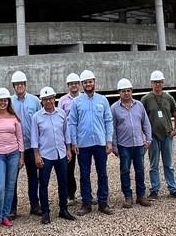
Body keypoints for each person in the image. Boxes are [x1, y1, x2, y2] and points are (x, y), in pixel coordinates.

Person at [67, 69, 114, 215]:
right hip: (83, 144)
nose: (88, 84)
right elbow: (72, 123)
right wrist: (74, 142)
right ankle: (86, 203)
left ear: (94, 82)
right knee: (84, 173)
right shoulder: (76, 102)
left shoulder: (103, 100)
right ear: (82, 84)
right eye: (85, 82)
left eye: (90, 81)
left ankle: (103, 202)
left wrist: (109, 141)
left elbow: (108, 121)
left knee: (102, 173)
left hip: (100, 142)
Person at [32, 86, 77, 224]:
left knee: (63, 182)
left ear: (54, 98)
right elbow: (35, 138)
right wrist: (37, 156)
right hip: (45, 154)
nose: (49, 102)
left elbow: (66, 133)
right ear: (42, 101)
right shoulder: (37, 117)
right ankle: (45, 212)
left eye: (50, 98)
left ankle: (63, 209)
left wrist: (68, 149)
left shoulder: (62, 113)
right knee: (44, 184)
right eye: (45, 99)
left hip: (61, 153)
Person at [141, 70, 176, 200]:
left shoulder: (169, 98)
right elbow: (141, 118)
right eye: (155, 82)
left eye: (160, 82)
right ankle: (154, 190)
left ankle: (173, 188)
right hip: (153, 137)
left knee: (169, 164)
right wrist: (145, 135)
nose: (158, 84)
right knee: (154, 164)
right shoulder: (145, 99)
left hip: (167, 135)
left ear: (163, 83)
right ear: (151, 83)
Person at [110, 78, 152, 208]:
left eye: (128, 91)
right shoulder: (114, 108)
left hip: (139, 144)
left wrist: (148, 139)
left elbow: (146, 123)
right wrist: (114, 146)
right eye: (123, 91)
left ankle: (141, 195)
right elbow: (113, 129)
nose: (126, 93)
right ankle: (127, 196)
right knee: (124, 171)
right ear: (119, 92)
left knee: (140, 170)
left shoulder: (139, 105)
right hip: (124, 146)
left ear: (131, 91)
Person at [0, 87, 23, 230]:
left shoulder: (14, 117)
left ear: (8, 101)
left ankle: (5, 216)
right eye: (0, 100)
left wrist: (22, 156)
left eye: (5, 100)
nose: (3, 102)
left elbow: (19, 137)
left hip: (13, 154)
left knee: (10, 186)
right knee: (0, 187)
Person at [10, 70, 41, 219]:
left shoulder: (34, 101)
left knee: (33, 177)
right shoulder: (9, 102)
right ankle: (12, 208)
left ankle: (35, 205)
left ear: (25, 84)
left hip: (31, 146)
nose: (20, 86)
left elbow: (40, 121)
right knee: (12, 178)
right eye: (17, 84)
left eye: (22, 83)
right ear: (13, 86)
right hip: (14, 147)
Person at [56, 72, 81, 204]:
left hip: (82, 139)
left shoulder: (83, 98)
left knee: (85, 168)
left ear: (79, 84)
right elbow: (60, 120)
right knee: (68, 169)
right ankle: (70, 194)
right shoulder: (62, 101)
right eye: (71, 84)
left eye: (76, 83)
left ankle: (86, 194)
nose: (74, 86)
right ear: (68, 86)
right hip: (68, 139)